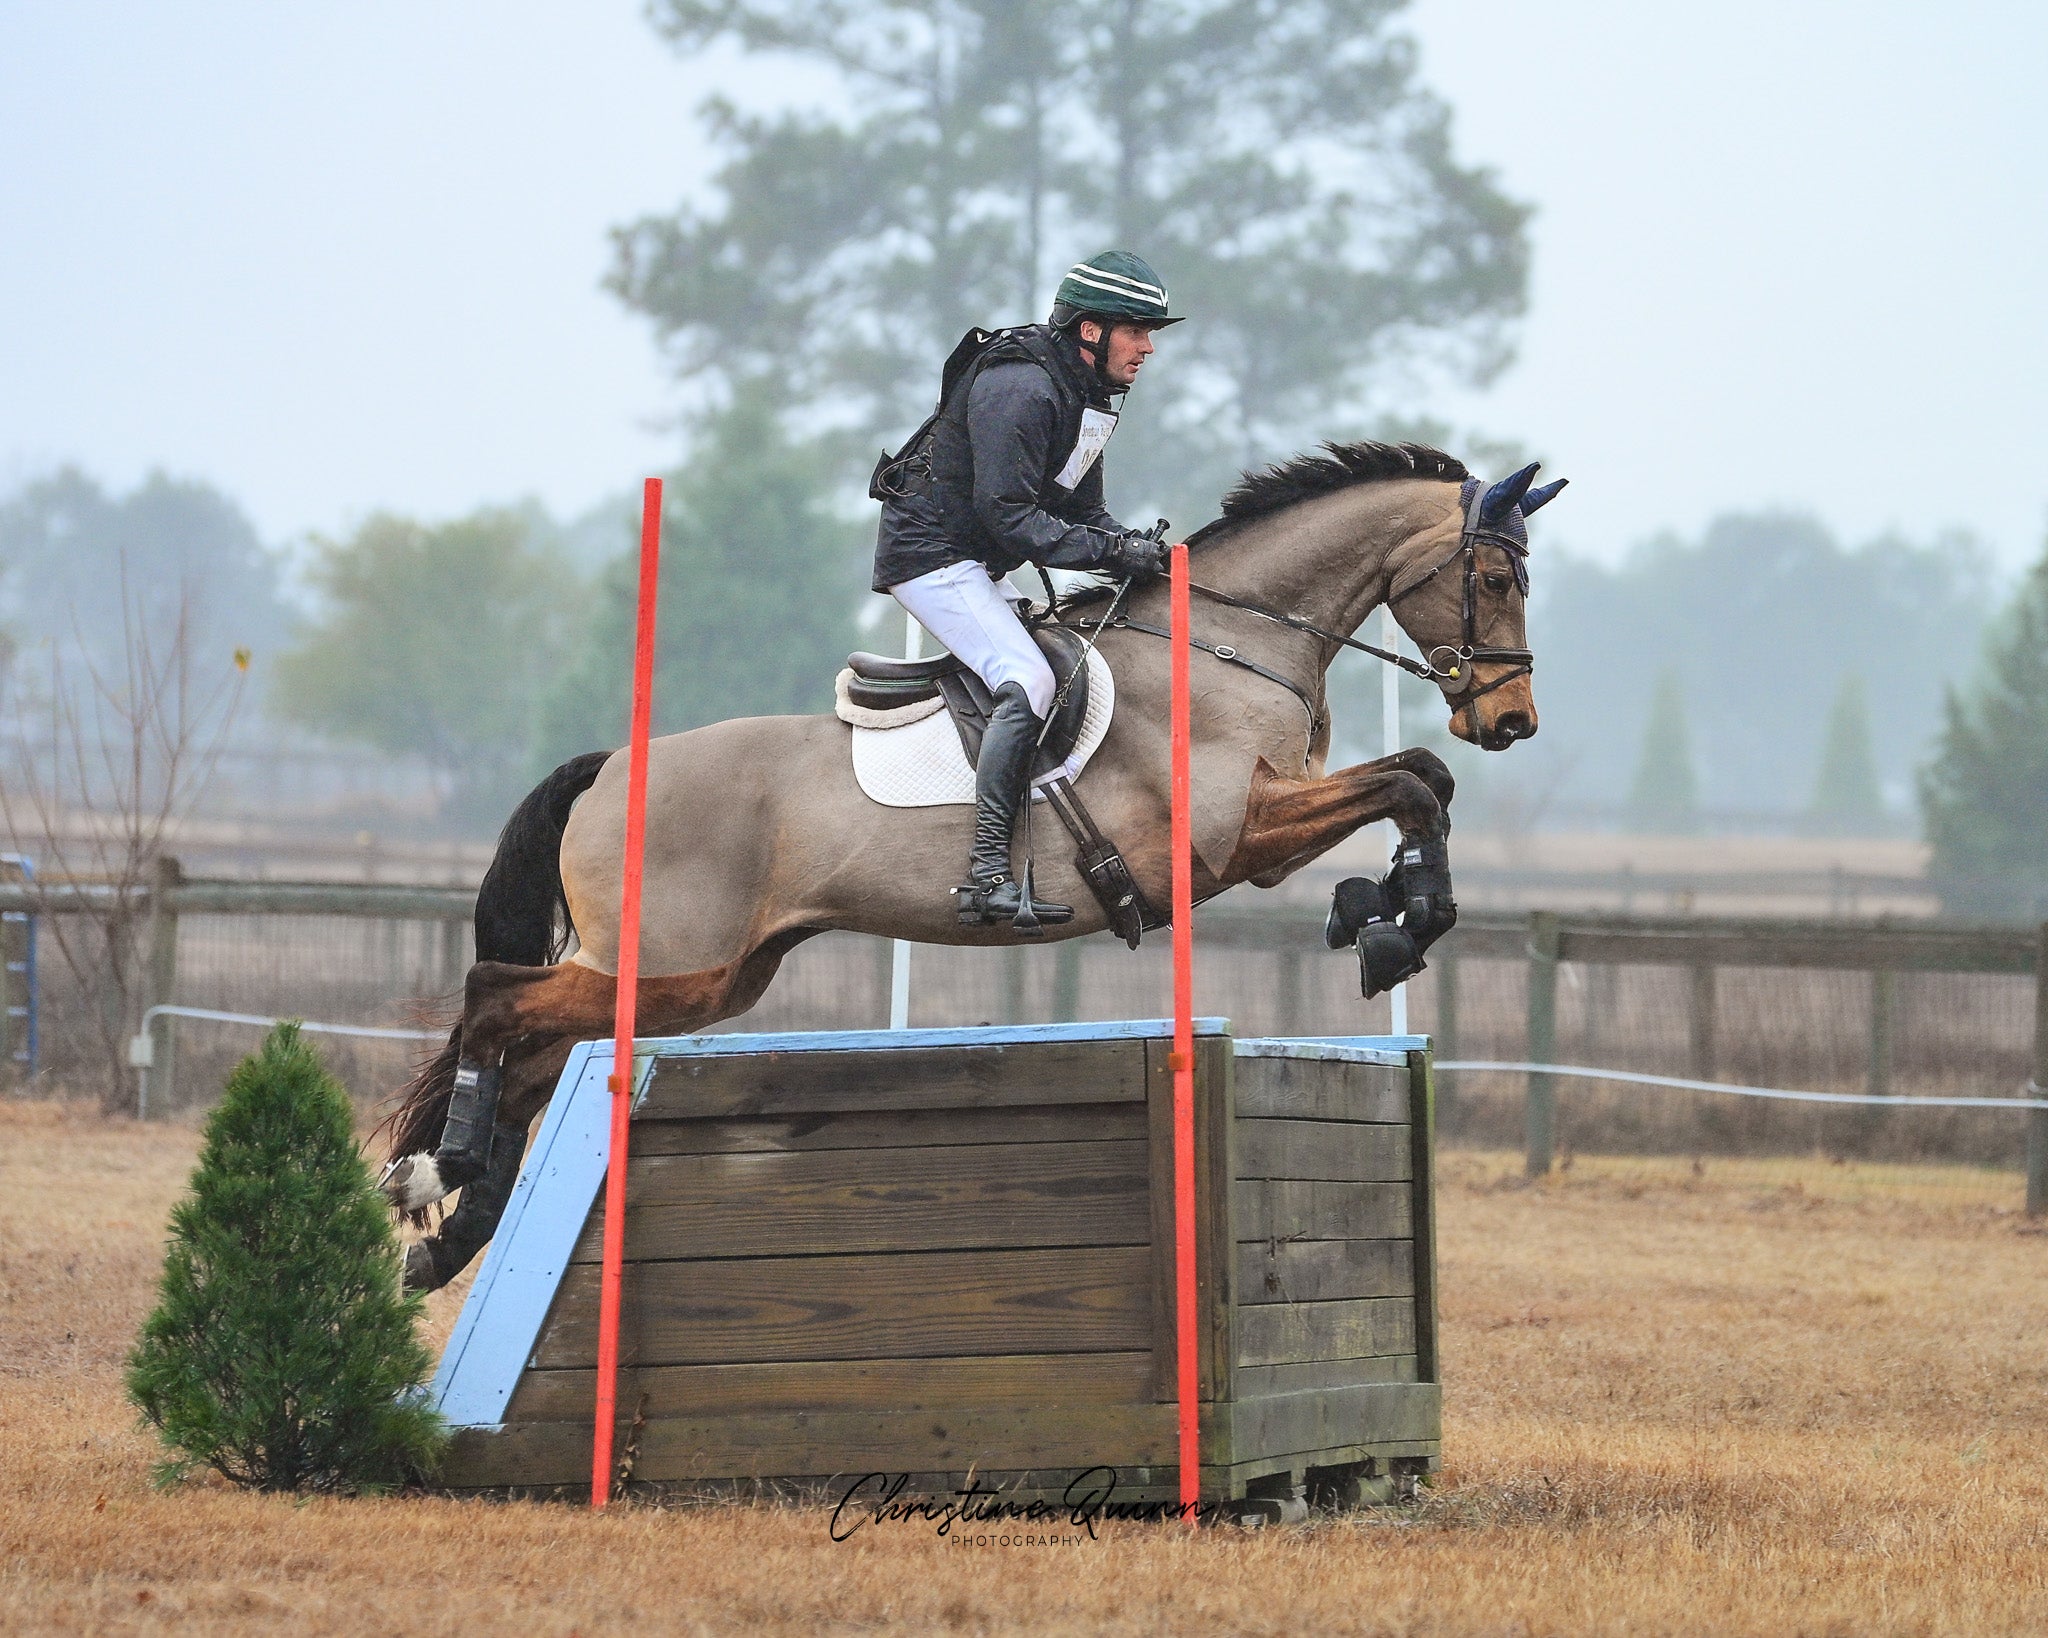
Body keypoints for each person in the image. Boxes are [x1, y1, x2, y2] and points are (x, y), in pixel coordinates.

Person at [871, 251, 1182, 927]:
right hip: (933, 557)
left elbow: (1081, 514)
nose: (1149, 347)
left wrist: (1136, 550)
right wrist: (1109, 551)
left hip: (974, 558)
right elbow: (1008, 518)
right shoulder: (1024, 389)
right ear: (1092, 330)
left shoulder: (1087, 398)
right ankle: (985, 874)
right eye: (1139, 330)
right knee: (1029, 679)